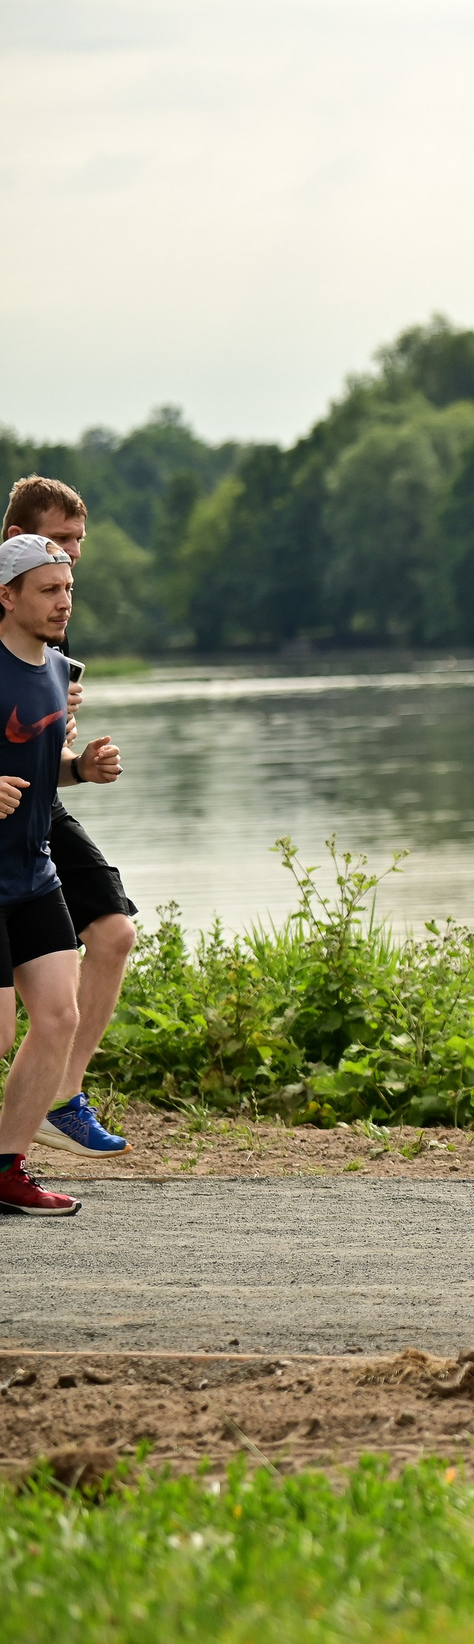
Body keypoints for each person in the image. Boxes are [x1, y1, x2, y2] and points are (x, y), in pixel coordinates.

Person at [0, 479, 141, 1161]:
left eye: (78, 549)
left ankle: (61, 1097)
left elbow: (37, 746)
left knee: (112, 932)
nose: (72, 563)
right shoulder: (11, 611)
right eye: (61, 542)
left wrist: (80, 764)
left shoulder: (50, 626)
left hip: (34, 815)